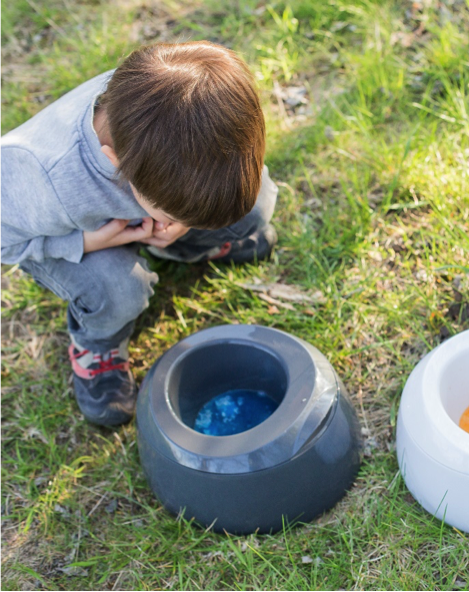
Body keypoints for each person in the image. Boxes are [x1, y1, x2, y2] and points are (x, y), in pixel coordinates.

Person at [0, 41, 279, 426]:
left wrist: (178, 222)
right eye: (172, 212)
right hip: (71, 238)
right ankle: (96, 344)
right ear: (116, 165)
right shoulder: (41, 178)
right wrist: (83, 242)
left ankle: (180, 248)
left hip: (135, 219)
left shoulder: (175, 104)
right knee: (119, 289)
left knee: (256, 203)